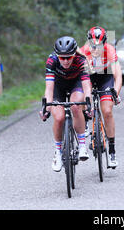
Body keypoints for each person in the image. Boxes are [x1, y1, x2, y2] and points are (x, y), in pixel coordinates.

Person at [39, 36, 92, 172]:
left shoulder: (81, 60)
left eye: (69, 57)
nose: (66, 61)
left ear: (74, 54)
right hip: (58, 87)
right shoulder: (52, 61)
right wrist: (46, 108)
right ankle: (58, 152)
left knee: (75, 105)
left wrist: (88, 104)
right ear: (57, 56)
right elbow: (49, 88)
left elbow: (86, 87)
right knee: (59, 117)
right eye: (62, 58)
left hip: (76, 84)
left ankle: (81, 145)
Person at [80, 26, 122, 168]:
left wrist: (115, 92)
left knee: (107, 111)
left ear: (104, 43)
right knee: (84, 96)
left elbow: (118, 75)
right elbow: (81, 79)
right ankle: (85, 120)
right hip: (90, 77)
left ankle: (112, 151)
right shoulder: (83, 51)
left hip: (105, 77)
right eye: (93, 44)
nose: (95, 48)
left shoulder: (110, 50)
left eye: (99, 45)